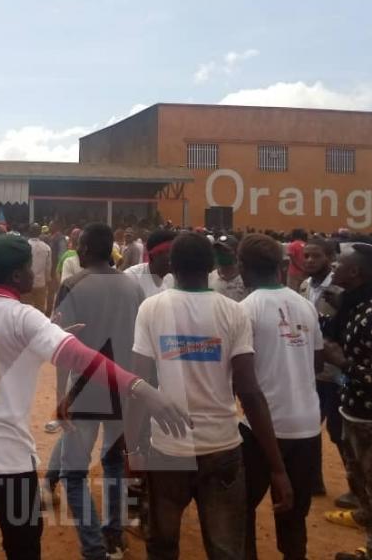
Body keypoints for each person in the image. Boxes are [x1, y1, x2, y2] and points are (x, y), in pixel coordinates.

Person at [0, 234, 190, 560]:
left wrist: (49, 351)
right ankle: (105, 539)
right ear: (15, 276)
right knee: (24, 539)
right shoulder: (26, 316)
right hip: (11, 454)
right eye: (28, 268)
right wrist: (140, 386)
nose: (33, 274)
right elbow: (81, 356)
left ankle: (97, 540)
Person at [125, 232, 292, 560]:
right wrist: (277, 466)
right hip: (222, 447)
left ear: (171, 265)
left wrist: (132, 449)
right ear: (212, 265)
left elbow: (139, 385)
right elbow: (249, 391)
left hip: (168, 449)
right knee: (226, 549)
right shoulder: (233, 312)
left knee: (162, 545)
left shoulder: (151, 309)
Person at [54, 223, 146, 560]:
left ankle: (94, 547)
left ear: (87, 249)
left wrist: (60, 396)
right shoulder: (133, 287)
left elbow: (63, 345)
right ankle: (111, 534)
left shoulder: (72, 285)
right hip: (123, 387)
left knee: (74, 472)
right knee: (112, 465)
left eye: (80, 245)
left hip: (85, 389)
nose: (77, 249)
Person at [237, 234, 324, 560]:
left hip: (262, 427)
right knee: (293, 517)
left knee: (241, 509)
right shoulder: (305, 305)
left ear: (243, 267)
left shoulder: (244, 310)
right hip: (307, 426)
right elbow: (316, 363)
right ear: (280, 266)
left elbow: (242, 377)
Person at [323, 244, 372, 560]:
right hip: (353, 412)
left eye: (339, 264)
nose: (334, 267)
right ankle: (370, 550)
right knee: (364, 492)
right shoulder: (356, 308)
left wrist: (341, 362)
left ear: (354, 272)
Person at [299, 237, 346, 500]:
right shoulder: (306, 286)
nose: (309, 261)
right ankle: (313, 479)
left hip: (336, 372)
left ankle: (357, 486)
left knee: (339, 432)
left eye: (315, 256)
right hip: (312, 370)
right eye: (306, 256)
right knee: (309, 425)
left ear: (329, 257)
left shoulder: (340, 289)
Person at [124, 229, 176, 298]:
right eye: (170, 252)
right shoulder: (132, 278)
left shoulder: (171, 280)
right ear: (154, 255)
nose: (176, 257)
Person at [209, 235, 247, 302]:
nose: (221, 253)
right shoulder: (210, 278)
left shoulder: (245, 279)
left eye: (225, 250)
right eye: (218, 250)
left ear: (236, 252)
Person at [26, 223, 52, 313]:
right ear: (40, 233)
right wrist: (47, 279)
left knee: (26, 311)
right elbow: (48, 267)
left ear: (29, 232)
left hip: (26, 284)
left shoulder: (24, 246)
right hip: (41, 283)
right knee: (40, 311)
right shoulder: (46, 247)